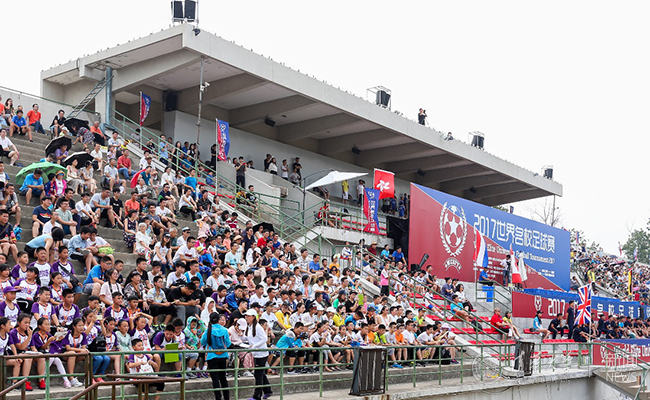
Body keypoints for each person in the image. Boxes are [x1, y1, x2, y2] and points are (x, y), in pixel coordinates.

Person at [201, 312, 232, 400]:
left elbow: (203, 342)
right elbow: (228, 343)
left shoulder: (208, 330)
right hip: (223, 355)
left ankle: (218, 398)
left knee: (215, 379)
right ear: (219, 320)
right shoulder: (224, 330)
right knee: (223, 378)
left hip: (212, 356)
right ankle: (227, 397)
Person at [243, 309, 272, 400]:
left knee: (258, 374)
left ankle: (257, 396)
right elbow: (249, 337)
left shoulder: (258, 327)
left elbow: (264, 339)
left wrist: (254, 346)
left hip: (261, 353)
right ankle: (268, 391)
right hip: (255, 353)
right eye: (246, 316)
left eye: (248, 316)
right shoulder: (249, 326)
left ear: (253, 317)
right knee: (261, 373)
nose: (246, 317)